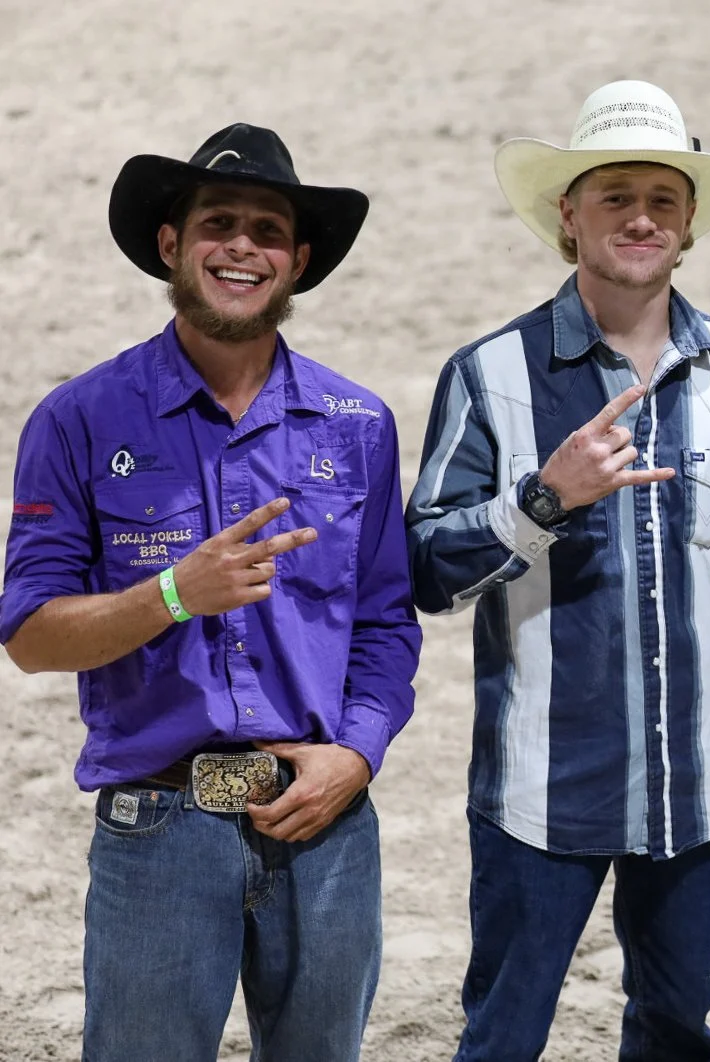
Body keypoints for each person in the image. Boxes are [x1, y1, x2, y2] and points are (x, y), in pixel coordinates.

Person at [0, 123, 421, 1061]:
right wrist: (174, 595)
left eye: (268, 231)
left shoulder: (358, 424)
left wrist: (355, 755)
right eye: (217, 223)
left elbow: (386, 623)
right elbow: (29, 634)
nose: (242, 246)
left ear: (298, 261)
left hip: (324, 820)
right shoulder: (77, 419)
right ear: (171, 246)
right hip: (158, 828)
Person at [405, 80, 710, 1061]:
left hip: (699, 780)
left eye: (662, 198)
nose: (641, 217)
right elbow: (427, 569)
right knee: (503, 1037)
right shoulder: (488, 374)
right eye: (614, 195)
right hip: (540, 784)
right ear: (567, 216)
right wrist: (544, 499)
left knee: (674, 1032)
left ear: (689, 222)